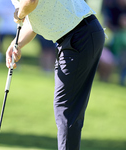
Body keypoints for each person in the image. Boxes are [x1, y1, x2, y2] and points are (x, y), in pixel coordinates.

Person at [7, 0, 105, 150]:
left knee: (66, 110)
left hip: (80, 34)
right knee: (65, 109)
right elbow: (32, 20)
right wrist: (16, 44)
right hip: (78, 35)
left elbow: (30, 2)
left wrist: (19, 14)